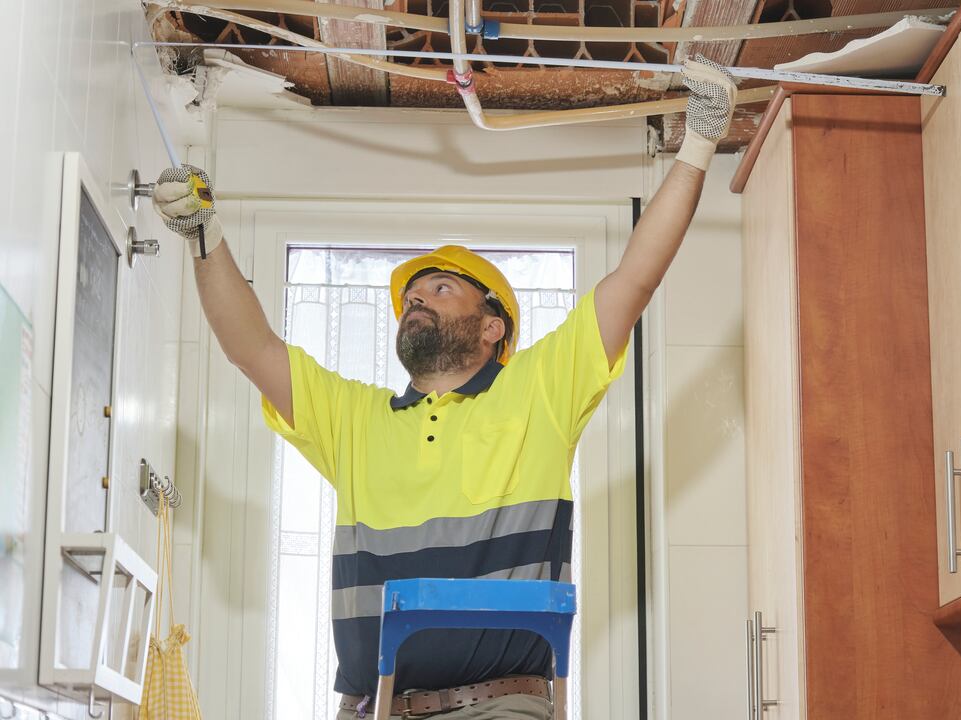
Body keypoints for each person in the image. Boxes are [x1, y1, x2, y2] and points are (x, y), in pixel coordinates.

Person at [152, 56, 737, 720]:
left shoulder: (537, 393)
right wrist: (205, 236)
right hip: (369, 708)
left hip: (498, 707)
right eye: (409, 297)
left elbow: (634, 279)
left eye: (439, 287)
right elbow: (251, 347)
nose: (415, 302)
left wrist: (699, 138)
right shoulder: (356, 419)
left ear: (493, 327)